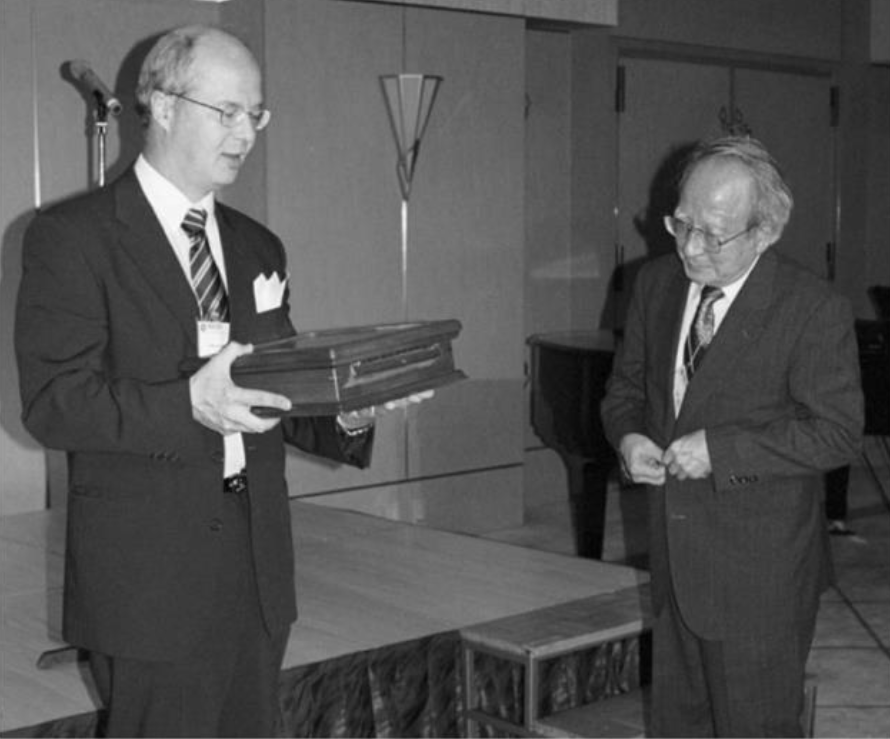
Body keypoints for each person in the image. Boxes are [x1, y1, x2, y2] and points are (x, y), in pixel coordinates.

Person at [15, 25, 426, 737]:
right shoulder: (73, 236)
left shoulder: (257, 245)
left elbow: (277, 385)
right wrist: (189, 405)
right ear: (164, 105)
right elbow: (55, 405)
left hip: (257, 565)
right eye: (227, 111)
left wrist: (353, 406)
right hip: (150, 575)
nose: (246, 132)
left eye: (256, 114)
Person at [601, 136, 863, 737]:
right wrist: (631, 437)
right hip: (674, 567)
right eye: (681, 223)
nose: (691, 247)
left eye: (713, 235)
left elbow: (838, 433)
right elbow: (625, 392)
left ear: (765, 232)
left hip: (760, 579)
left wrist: (722, 451)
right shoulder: (656, 284)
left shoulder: (812, 308)